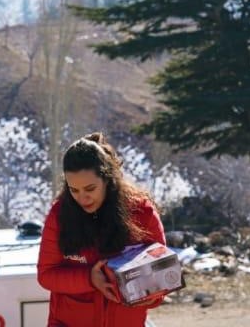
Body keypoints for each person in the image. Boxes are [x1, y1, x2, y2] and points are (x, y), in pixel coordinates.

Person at [36, 133, 167, 327]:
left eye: (90, 189)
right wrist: (89, 278)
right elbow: (46, 275)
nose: (82, 198)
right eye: (74, 190)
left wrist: (153, 296)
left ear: (107, 179)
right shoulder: (59, 215)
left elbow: (161, 270)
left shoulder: (142, 211)